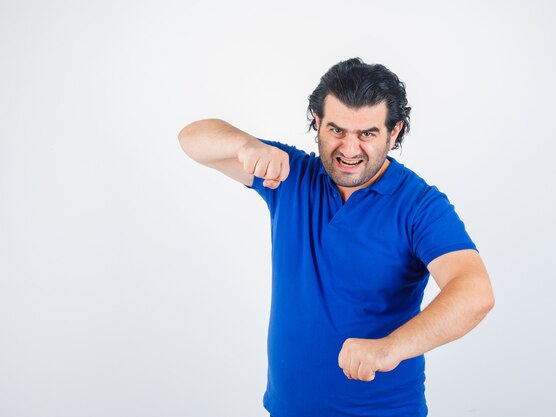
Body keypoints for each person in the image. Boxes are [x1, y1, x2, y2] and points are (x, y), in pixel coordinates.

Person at [178, 57, 495, 417]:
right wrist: (245, 146)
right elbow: (191, 138)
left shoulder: (419, 205)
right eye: (337, 130)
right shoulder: (290, 175)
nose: (348, 149)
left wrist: (390, 348)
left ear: (394, 133)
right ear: (317, 122)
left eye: (367, 134)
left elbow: (475, 292)